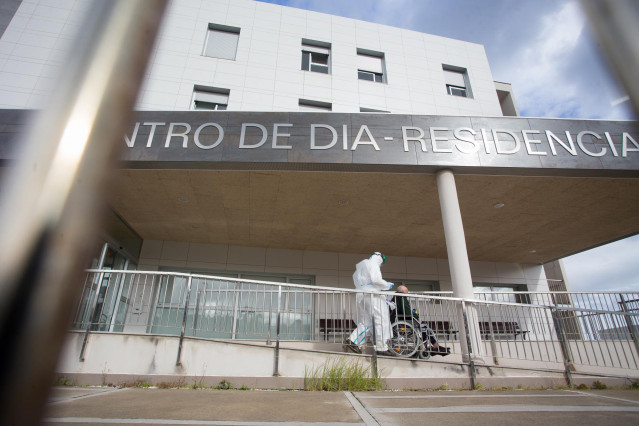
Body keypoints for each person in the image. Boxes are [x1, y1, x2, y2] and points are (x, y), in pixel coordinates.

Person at [344, 252, 395, 356]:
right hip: (373, 296)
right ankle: (381, 347)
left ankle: (353, 341)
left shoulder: (360, 267)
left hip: (362, 296)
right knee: (380, 320)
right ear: (380, 259)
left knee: (367, 322)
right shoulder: (373, 264)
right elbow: (376, 280)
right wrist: (386, 285)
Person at [392, 285, 450, 356]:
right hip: (407, 320)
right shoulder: (401, 297)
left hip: (404, 320)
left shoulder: (396, 298)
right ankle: (434, 346)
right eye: (406, 292)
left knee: (425, 328)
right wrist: (416, 316)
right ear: (402, 292)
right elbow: (406, 311)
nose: (407, 294)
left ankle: (432, 347)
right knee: (425, 327)